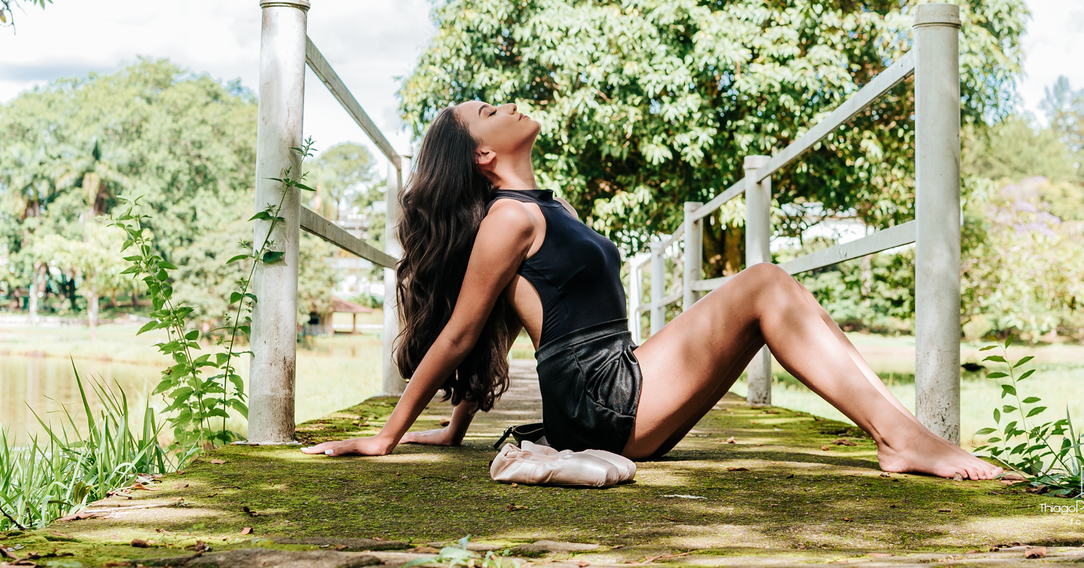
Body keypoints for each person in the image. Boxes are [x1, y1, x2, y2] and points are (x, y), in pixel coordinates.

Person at [301, 102, 1003, 480]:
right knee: (764, 283)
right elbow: (460, 329)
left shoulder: (548, 210)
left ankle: (906, 436)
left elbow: (505, 324)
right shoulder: (507, 219)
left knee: (778, 291)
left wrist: (456, 426)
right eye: (488, 109)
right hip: (603, 401)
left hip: (615, 390)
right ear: (483, 154)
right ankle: (902, 440)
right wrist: (387, 437)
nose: (506, 103)